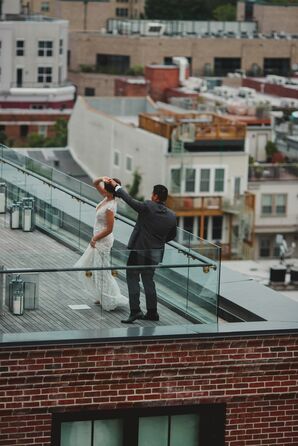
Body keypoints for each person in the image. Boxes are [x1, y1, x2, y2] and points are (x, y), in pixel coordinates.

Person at [106, 178, 177, 323]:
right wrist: (158, 242)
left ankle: (135, 311)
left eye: (153, 194)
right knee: (148, 280)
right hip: (156, 253)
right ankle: (152, 313)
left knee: (132, 278)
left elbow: (130, 201)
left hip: (139, 251)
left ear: (156, 196)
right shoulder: (172, 215)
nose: (151, 196)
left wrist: (117, 187)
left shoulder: (148, 206)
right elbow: (172, 235)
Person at [74, 177, 128, 311]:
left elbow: (109, 229)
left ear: (109, 190)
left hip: (102, 241)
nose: (102, 186)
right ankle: (101, 295)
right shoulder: (106, 196)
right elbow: (95, 183)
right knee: (95, 268)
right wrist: (102, 178)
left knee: (102, 271)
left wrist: (95, 238)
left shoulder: (110, 206)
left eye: (105, 185)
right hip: (98, 239)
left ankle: (110, 297)